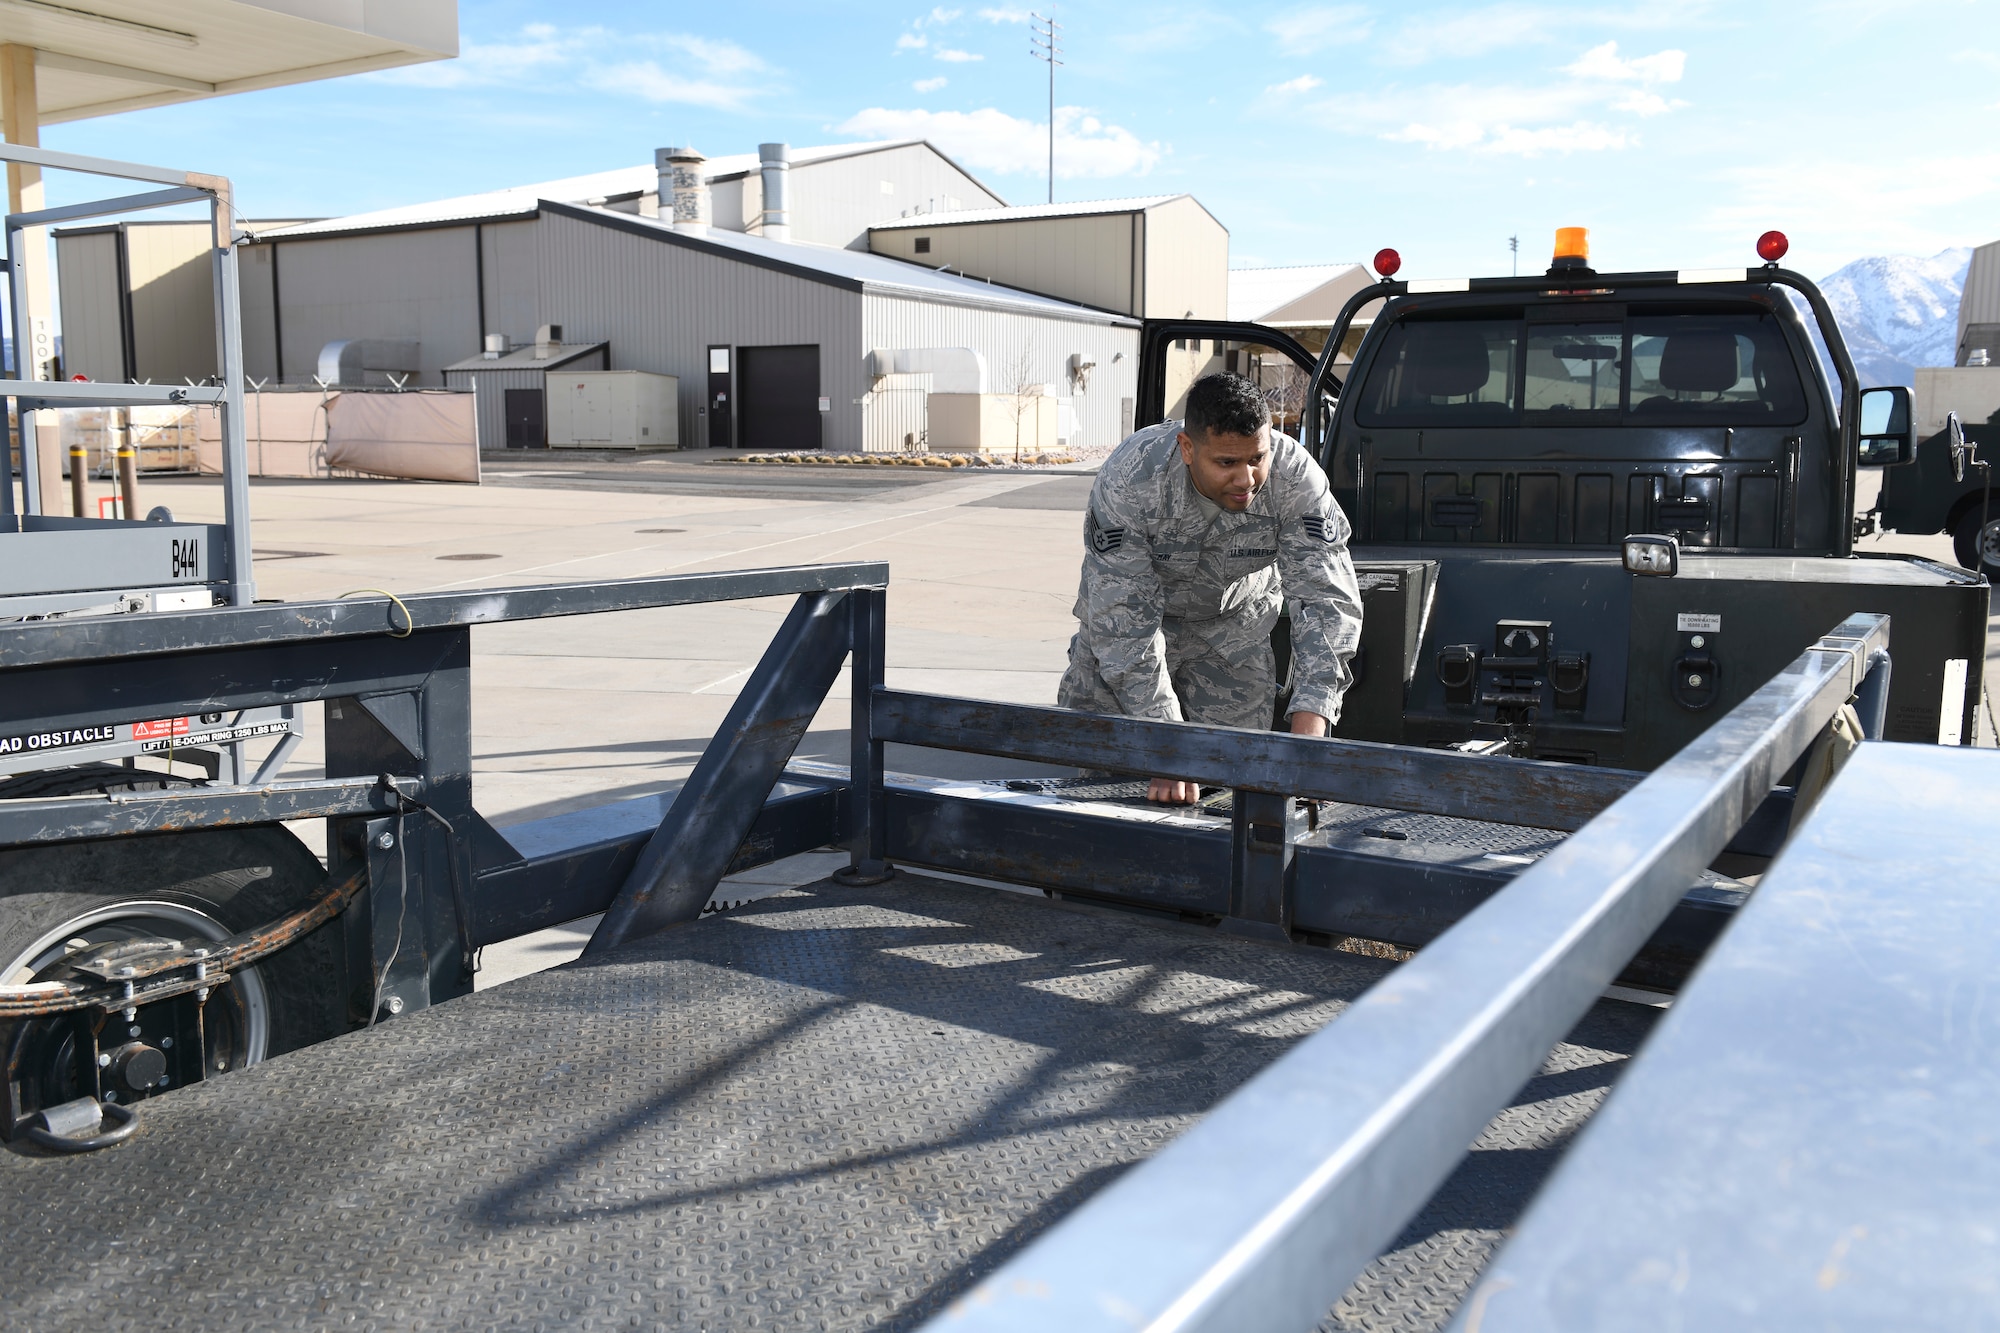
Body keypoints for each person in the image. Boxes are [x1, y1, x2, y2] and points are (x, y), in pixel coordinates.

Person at [1057, 372, 1363, 803]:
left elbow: (1326, 600)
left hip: (1231, 637)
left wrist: (1311, 726)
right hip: (1133, 639)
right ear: (1187, 448)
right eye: (1226, 463)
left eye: (1257, 458)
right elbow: (1124, 622)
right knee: (1099, 787)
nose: (1246, 479)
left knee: (1237, 786)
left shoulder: (1296, 480)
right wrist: (1169, 745)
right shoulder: (1132, 478)